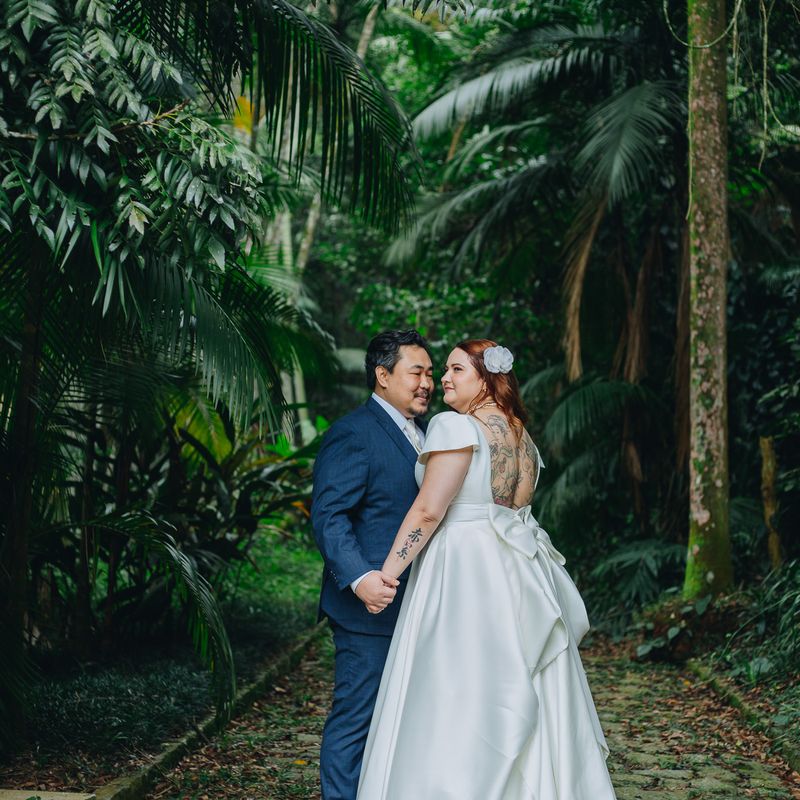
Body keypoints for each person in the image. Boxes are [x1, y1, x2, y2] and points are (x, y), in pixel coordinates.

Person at [357, 339, 617, 800]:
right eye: (445, 370)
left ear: (486, 377)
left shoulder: (455, 427)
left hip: (464, 571)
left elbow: (428, 512)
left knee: (460, 684)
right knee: (527, 679)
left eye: (458, 369)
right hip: (520, 571)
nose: (445, 380)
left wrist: (389, 574)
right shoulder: (522, 435)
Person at [312, 329, 434, 800]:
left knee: (405, 722)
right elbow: (328, 515)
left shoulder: (430, 432)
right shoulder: (353, 432)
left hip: (419, 606)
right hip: (369, 610)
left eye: (429, 372)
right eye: (416, 372)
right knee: (357, 720)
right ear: (382, 376)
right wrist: (361, 579)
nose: (426, 382)